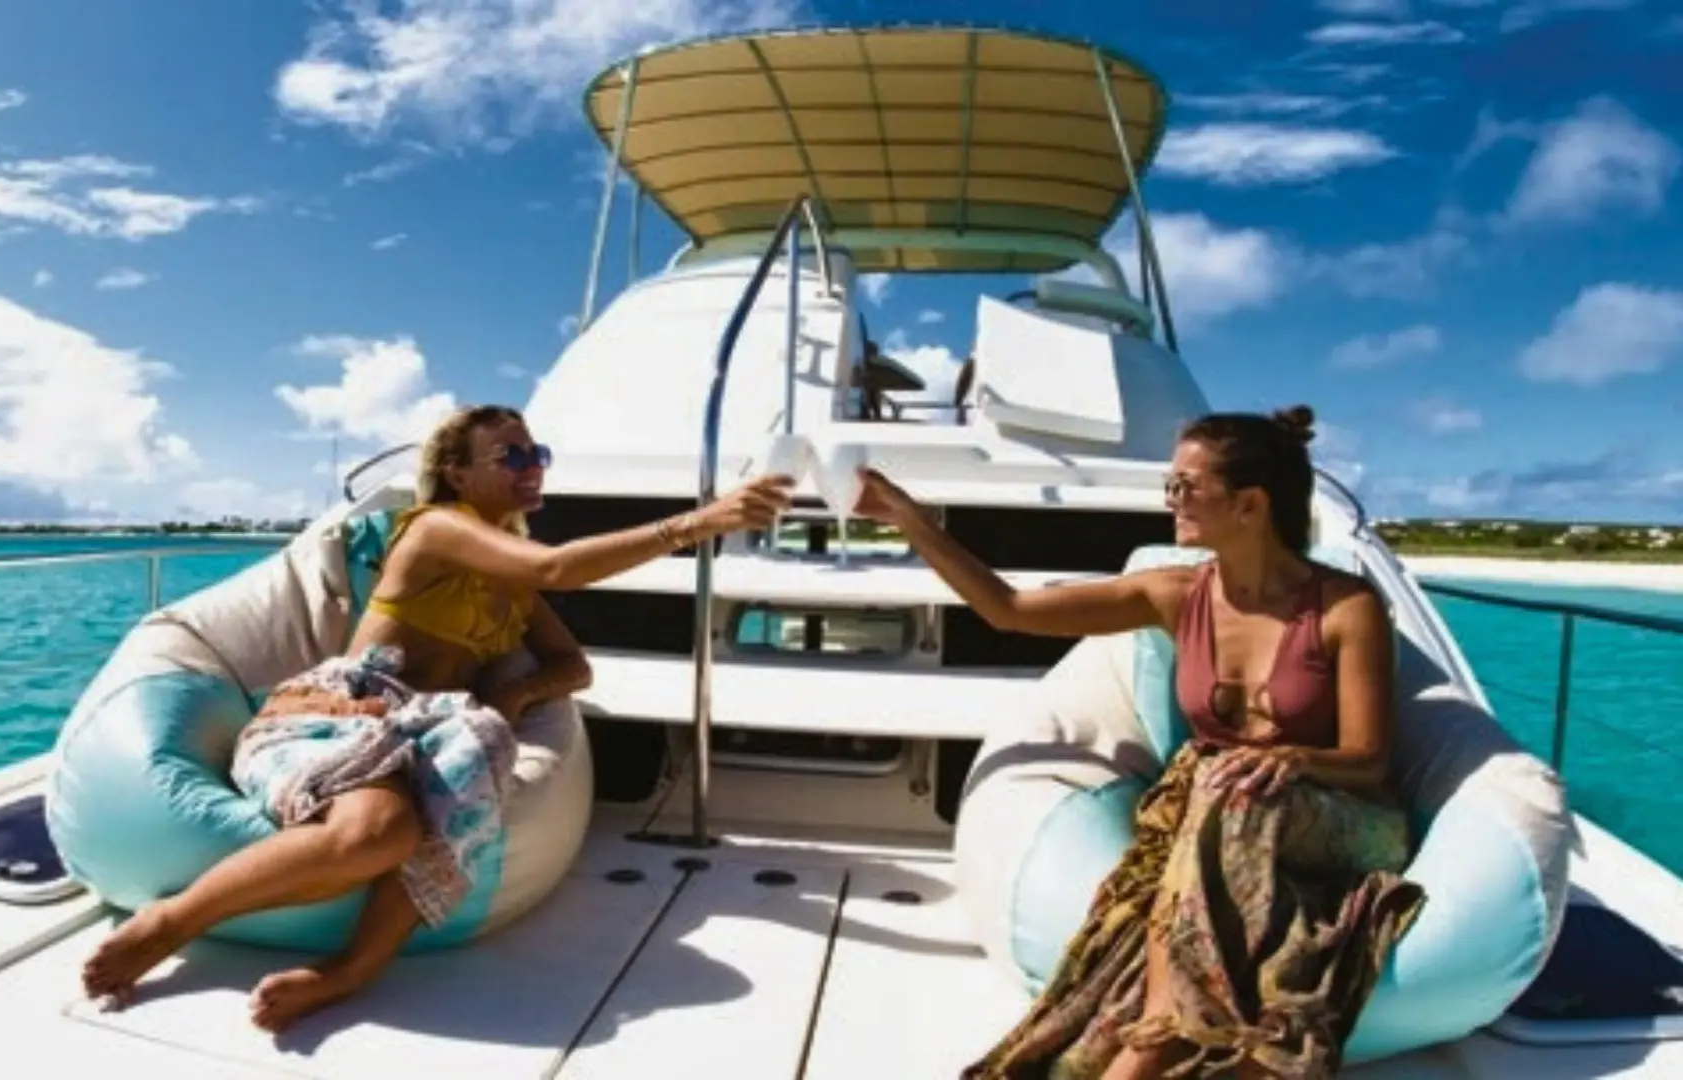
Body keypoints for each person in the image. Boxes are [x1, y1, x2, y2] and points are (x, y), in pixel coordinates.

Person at [79, 404, 794, 1032]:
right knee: (377, 834)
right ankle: (173, 920)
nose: (531, 467)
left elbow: (574, 668)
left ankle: (352, 970)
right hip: (337, 714)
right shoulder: (433, 529)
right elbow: (556, 568)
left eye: (536, 454)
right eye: (510, 455)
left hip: (416, 733)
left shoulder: (510, 588)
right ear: (456, 473)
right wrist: (701, 522)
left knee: (420, 811)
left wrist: (513, 698)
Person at [852, 405, 1426, 1079]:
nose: (1169, 499)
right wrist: (907, 517)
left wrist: (1293, 759)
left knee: (1225, 786)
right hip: (1224, 821)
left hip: (1345, 822)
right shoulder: (1174, 595)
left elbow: (1370, 761)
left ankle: (1157, 1040)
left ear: (1248, 504)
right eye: (1170, 484)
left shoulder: (1344, 606)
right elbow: (1007, 611)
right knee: (1218, 785)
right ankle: (1173, 1028)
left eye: (1185, 486)